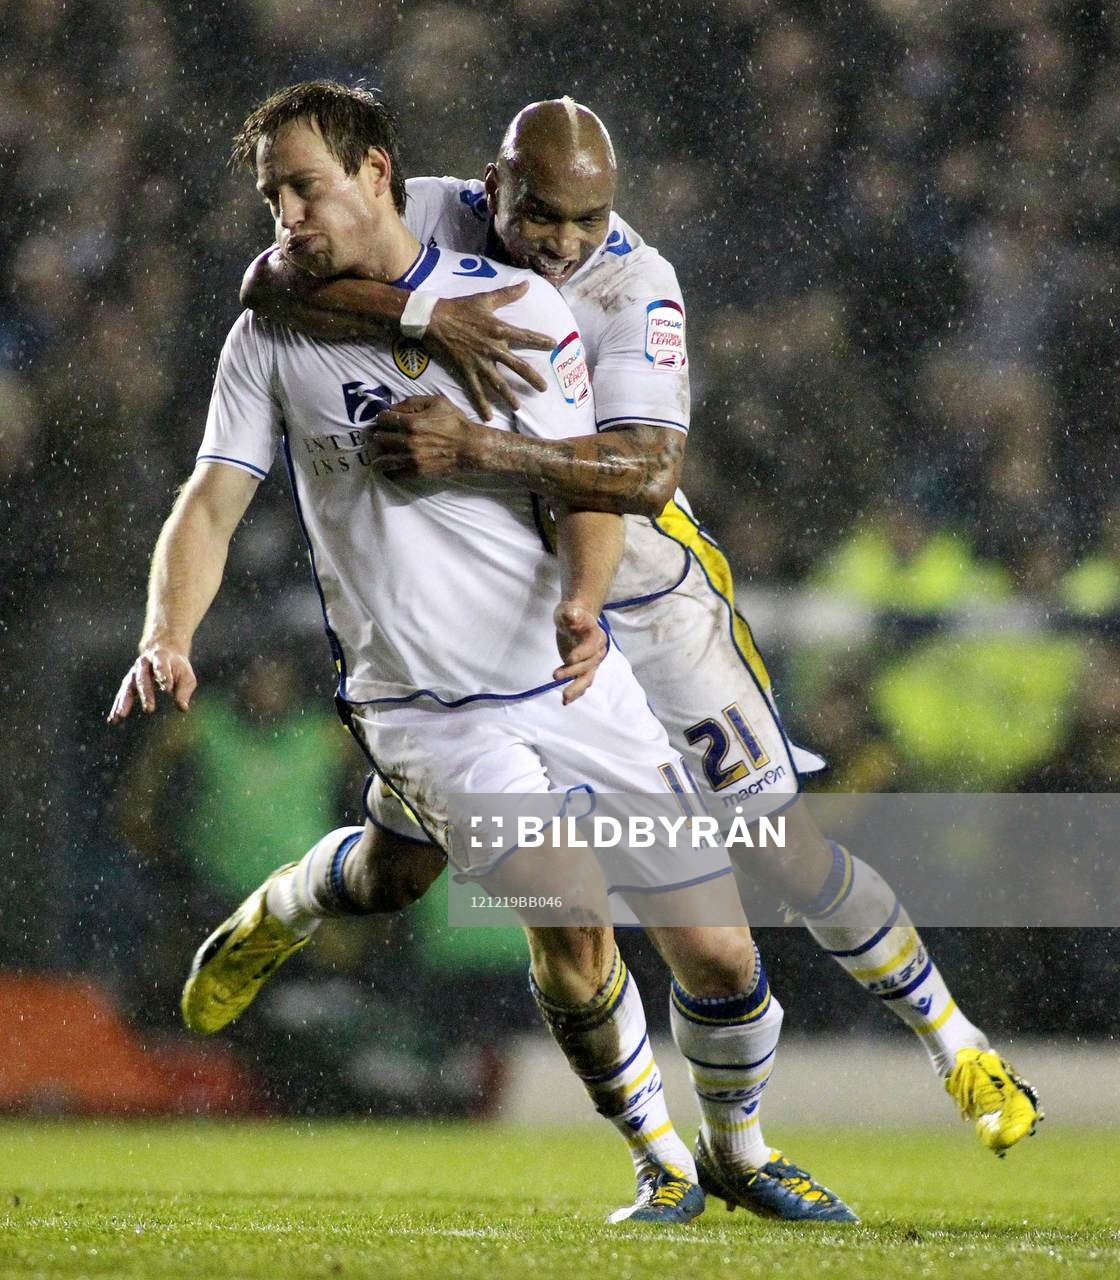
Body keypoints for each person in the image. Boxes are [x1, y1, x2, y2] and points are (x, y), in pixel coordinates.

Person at [234, 95, 1043, 1161]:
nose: (565, 244)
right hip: (493, 628)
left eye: (588, 218)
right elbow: (269, 284)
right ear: (494, 186)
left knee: (780, 855)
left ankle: (956, 1044)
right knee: (398, 872)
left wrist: (475, 448)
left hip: (649, 611)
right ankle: (282, 906)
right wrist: (420, 316)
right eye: (543, 219)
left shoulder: (634, 283)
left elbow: (645, 473)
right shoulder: (431, 217)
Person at [108, 81, 855, 1226]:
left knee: (712, 946)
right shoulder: (269, 332)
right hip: (425, 703)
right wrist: (168, 629)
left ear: (377, 176)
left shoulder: (515, 306)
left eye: (305, 188)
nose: (287, 216)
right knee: (569, 907)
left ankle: (739, 1149)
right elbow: (209, 503)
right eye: (271, 196)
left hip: (565, 676)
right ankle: (660, 1163)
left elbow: (593, 477)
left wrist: (587, 602)